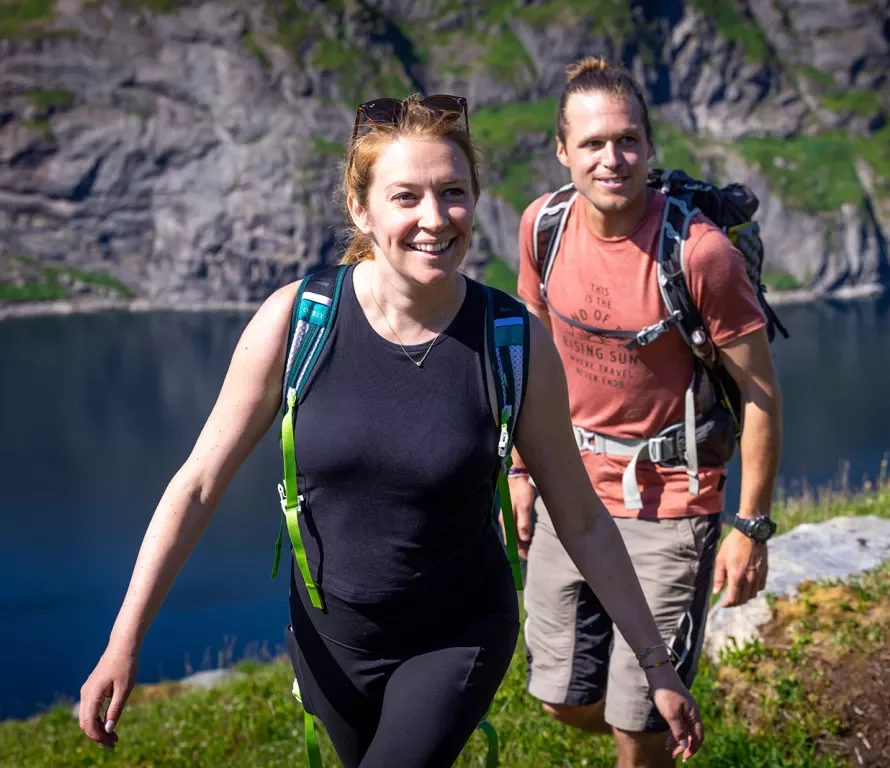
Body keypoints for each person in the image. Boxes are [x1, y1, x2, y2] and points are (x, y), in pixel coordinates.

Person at [77, 94, 707, 767]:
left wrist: (655, 665)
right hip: (330, 644)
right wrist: (124, 641)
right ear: (362, 209)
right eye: (405, 197)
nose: (434, 219)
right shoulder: (298, 321)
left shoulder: (513, 341)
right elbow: (199, 485)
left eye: (453, 194)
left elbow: (580, 519)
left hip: (457, 633)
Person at [510, 58, 784, 767]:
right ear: (563, 151)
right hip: (571, 490)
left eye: (628, 140)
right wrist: (520, 468)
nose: (613, 158)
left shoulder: (701, 255)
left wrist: (749, 528)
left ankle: (655, 730)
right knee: (562, 697)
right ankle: (662, 728)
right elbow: (533, 359)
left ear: (649, 146)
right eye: (594, 144)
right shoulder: (542, 227)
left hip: (671, 501)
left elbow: (759, 395)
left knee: (638, 723)